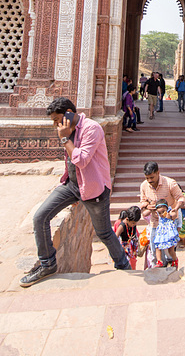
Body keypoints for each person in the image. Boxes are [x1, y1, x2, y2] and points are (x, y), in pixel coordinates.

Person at [20, 97, 131, 287]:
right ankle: (47, 264)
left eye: (57, 119)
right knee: (40, 217)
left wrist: (64, 138)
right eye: (54, 121)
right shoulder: (68, 129)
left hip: (94, 189)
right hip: (73, 185)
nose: (55, 124)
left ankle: (123, 264)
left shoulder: (91, 129)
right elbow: (71, 162)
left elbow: (81, 160)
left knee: (103, 232)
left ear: (70, 112)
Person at [139, 161, 185, 267]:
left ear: (158, 173)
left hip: (169, 222)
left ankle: (174, 266)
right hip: (155, 222)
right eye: (147, 178)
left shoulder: (170, 183)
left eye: (152, 177)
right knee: (155, 249)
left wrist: (176, 209)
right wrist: (147, 206)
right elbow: (142, 202)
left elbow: (181, 198)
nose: (149, 181)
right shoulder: (144, 186)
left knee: (170, 250)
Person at [152, 199, 180, 268]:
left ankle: (175, 260)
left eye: (163, 211)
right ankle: (159, 261)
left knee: (171, 250)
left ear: (167, 208)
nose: (161, 214)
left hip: (169, 233)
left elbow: (174, 214)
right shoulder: (158, 214)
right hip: (161, 233)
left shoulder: (170, 212)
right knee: (158, 247)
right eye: (159, 212)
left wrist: (170, 216)